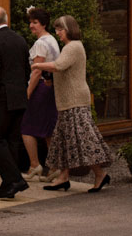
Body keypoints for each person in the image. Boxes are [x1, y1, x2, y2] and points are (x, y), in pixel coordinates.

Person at [31, 15, 112, 193]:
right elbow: (64, 69)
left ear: (68, 30)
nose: (58, 33)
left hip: (74, 101)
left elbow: (59, 65)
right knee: (64, 140)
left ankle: (99, 174)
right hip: (68, 101)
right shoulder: (71, 47)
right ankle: (63, 177)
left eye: (60, 29)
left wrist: (38, 66)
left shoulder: (73, 47)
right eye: (57, 30)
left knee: (82, 140)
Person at [0, 6, 30, 199]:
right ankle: (8, 183)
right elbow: (27, 69)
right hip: (19, 96)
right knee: (11, 139)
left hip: (2, 97)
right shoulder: (20, 39)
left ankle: (15, 178)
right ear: (6, 19)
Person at [21, 6, 59, 180]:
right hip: (51, 88)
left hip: (41, 88)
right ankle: (54, 167)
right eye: (30, 22)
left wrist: (27, 93)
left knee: (27, 127)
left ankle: (34, 164)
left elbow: (36, 71)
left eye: (35, 22)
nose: (31, 26)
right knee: (48, 128)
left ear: (43, 24)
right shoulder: (52, 40)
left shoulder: (40, 43)